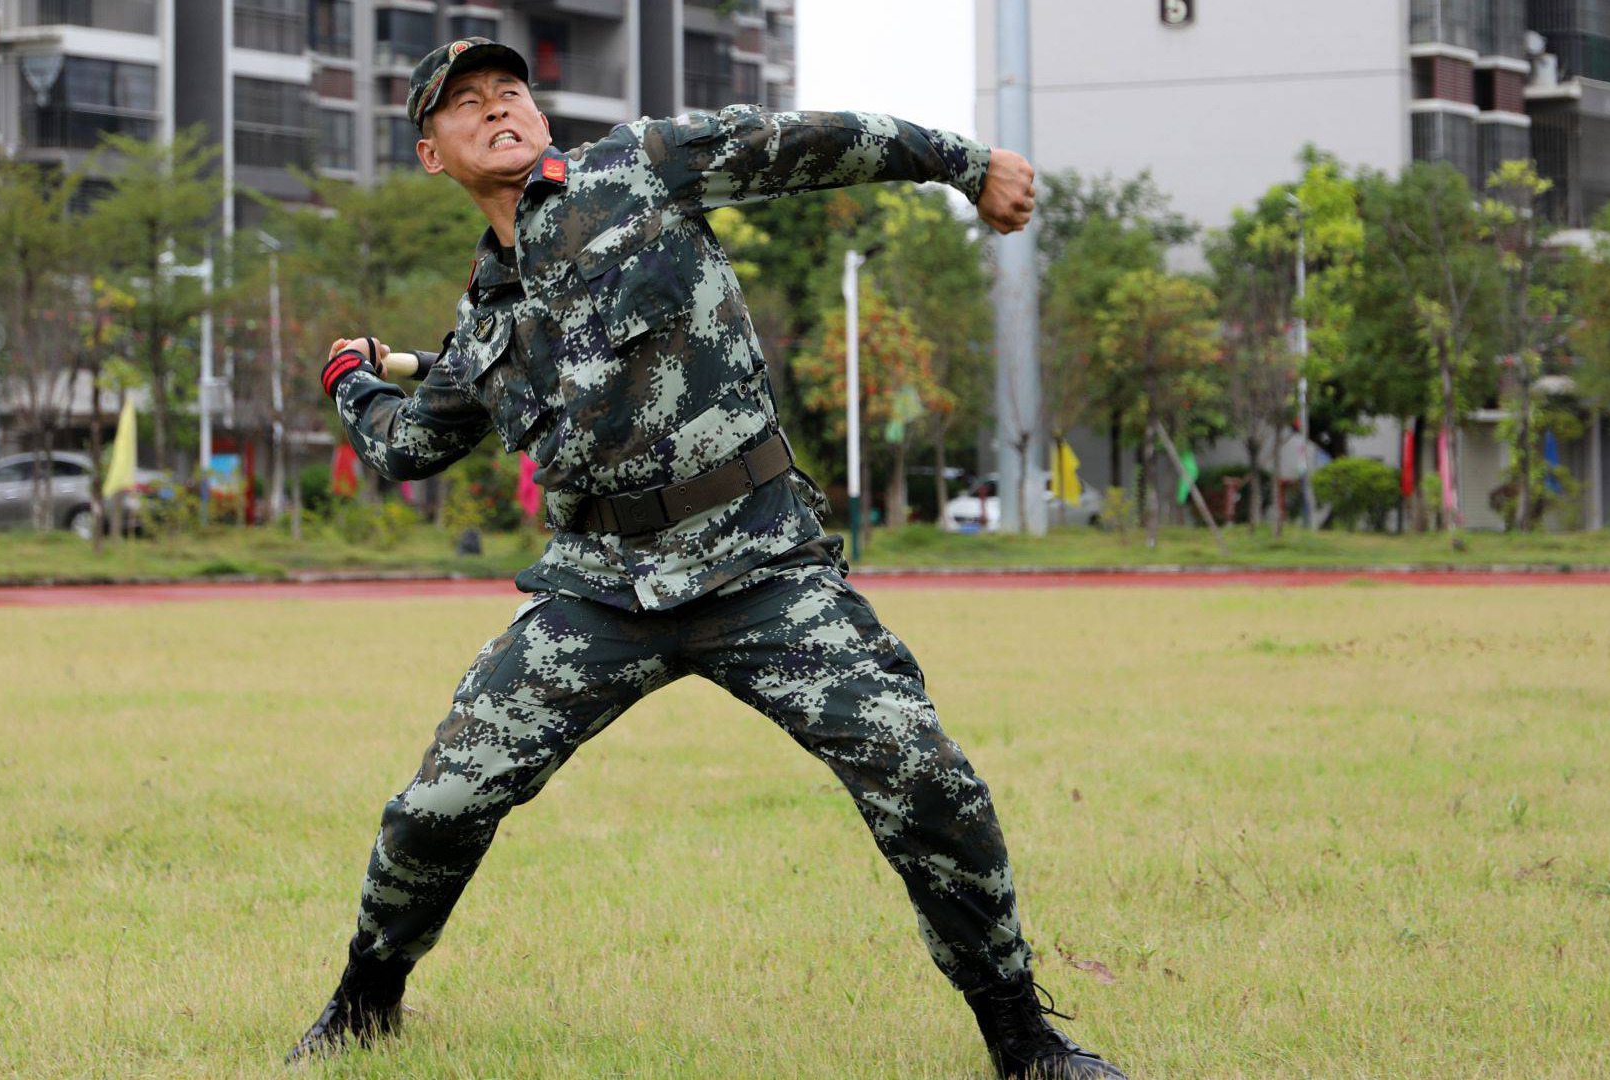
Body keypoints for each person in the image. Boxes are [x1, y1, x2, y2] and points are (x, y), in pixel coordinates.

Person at [289, 37, 1127, 1080]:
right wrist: (349, 378)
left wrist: (964, 165)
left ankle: (1026, 1043)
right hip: (597, 588)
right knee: (438, 808)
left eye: (512, 90)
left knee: (923, 774)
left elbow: (811, 143)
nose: (498, 108)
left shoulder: (638, 168)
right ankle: (366, 1009)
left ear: (541, 117)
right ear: (431, 155)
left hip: (758, 565)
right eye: (466, 104)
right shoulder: (486, 321)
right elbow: (409, 448)